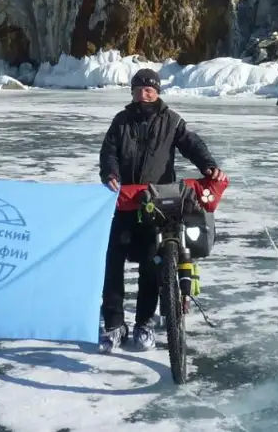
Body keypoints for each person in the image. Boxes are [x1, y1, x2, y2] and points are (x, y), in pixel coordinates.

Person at [98, 67, 225, 353]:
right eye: (140, 88)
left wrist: (208, 165)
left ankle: (144, 322)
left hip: (159, 203)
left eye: (150, 88)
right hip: (126, 202)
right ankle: (114, 323)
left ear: (157, 92)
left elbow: (192, 144)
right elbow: (108, 152)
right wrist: (110, 173)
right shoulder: (121, 121)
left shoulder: (171, 120)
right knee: (113, 261)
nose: (145, 93)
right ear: (132, 91)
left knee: (150, 264)